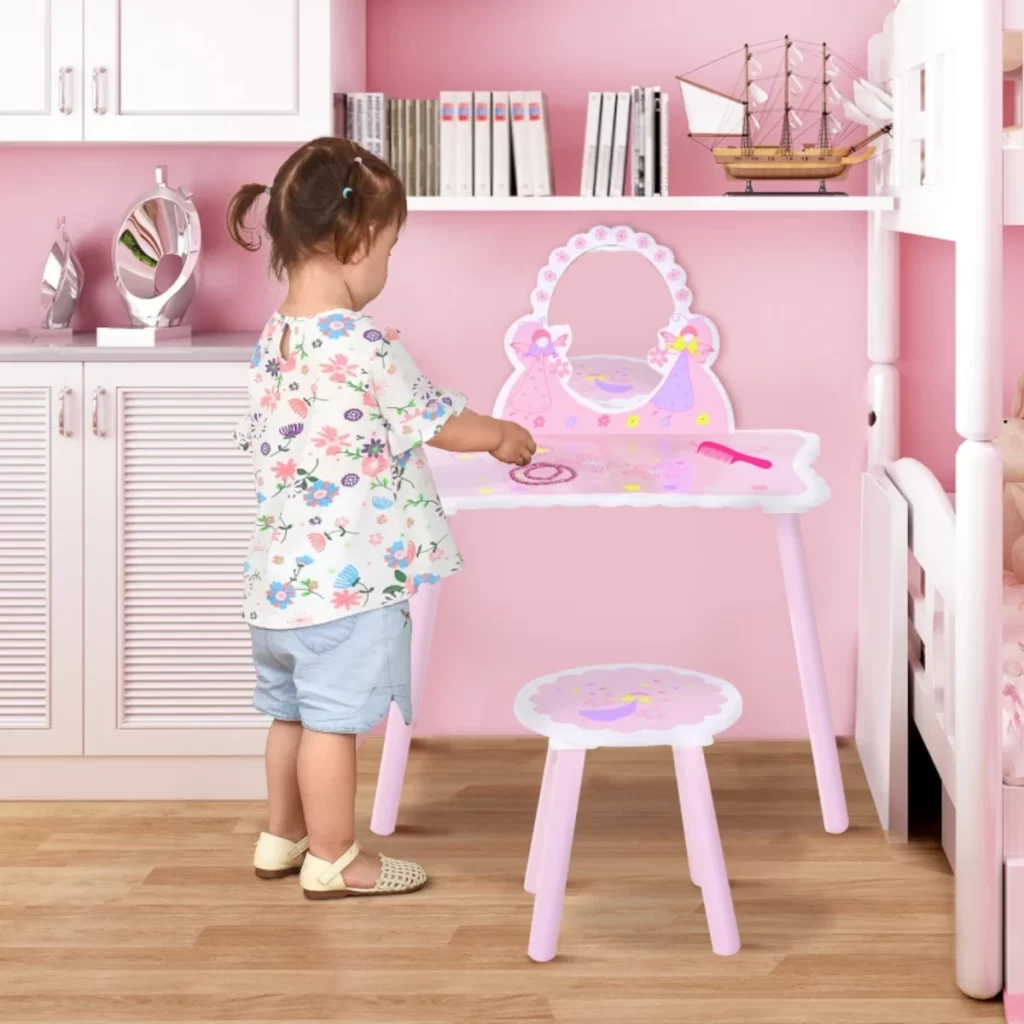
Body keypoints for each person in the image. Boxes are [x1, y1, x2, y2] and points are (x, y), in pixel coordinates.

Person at [228, 137, 535, 900]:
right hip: (345, 586)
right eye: (390, 248)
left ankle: (282, 835)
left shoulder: (275, 339)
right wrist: (498, 434)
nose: (388, 267)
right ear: (354, 241)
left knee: (291, 716)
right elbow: (436, 419)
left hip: (277, 586)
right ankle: (336, 858)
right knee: (333, 725)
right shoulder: (363, 344)